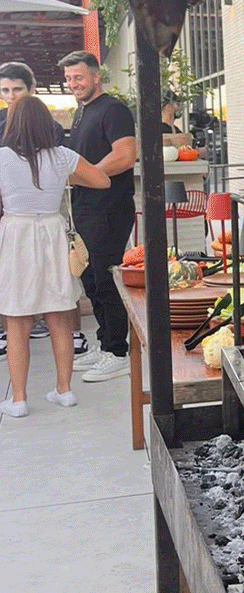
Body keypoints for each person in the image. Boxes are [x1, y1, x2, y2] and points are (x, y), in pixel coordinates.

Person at [0, 96, 109, 416]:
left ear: (13, 124)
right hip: (52, 232)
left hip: (16, 235)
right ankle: (64, 390)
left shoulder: (2, 158)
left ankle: (18, 399)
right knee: (59, 316)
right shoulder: (62, 156)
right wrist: (62, 180)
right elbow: (101, 180)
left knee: (16, 320)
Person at [60, 50, 137, 382]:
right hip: (86, 209)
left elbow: (125, 156)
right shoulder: (82, 112)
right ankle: (106, 345)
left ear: (95, 76)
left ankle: (119, 352)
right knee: (90, 279)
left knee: (107, 280)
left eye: (78, 77)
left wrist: (87, 176)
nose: (73, 84)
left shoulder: (114, 110)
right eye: (68, 79)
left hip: (109, 209)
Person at [0, 62, 84, 357]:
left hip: (19, 223)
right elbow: (94, 177)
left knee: (20, 314)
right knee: (53, 307)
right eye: (5, 90)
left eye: (17, 89)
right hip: (41, 222)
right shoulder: (58, 149)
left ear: (31, 89)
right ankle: (64, 390)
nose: (11, 96)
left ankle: (20, 398)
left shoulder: (51, 134)